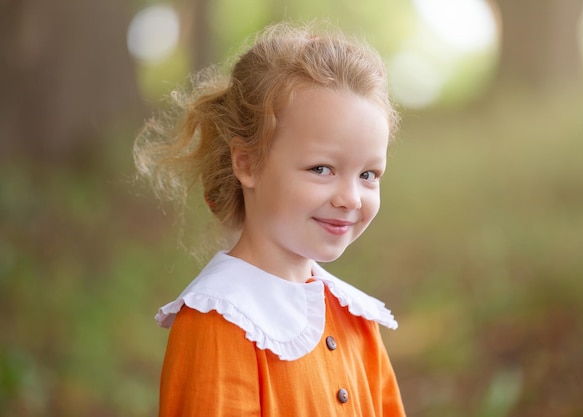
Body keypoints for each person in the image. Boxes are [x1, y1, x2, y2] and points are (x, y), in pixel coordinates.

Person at [134, 20, 405, 417]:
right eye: (322, 169)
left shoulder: (354, 318)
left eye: (368, 175)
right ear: (248, 163)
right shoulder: (219, 322)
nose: (350, 198)